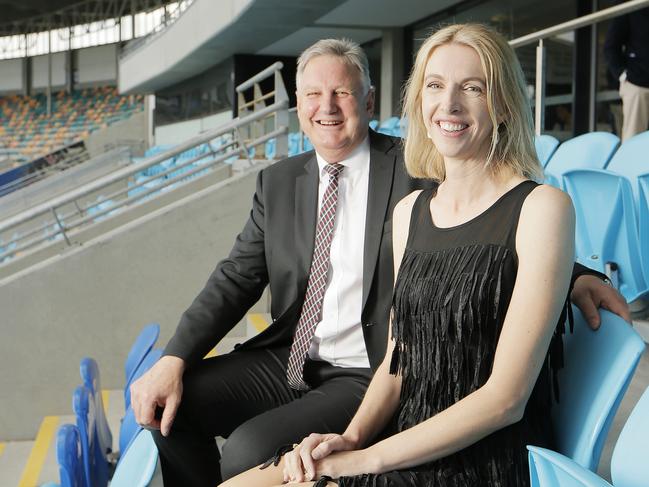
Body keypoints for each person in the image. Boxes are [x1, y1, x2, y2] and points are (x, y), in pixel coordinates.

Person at [130, 37, 629, 486]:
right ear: (298, 106)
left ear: (369, 101)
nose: (326, 107)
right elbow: (236, 276)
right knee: (170, 406)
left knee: (248, 455)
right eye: (312, 95)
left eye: (342, 93)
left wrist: (572, 274)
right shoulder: (281, 182)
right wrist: (174, 358)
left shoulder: (415, 171)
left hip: (374, 379)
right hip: (298, 360)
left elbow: (491, 231)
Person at [604, 3, 649, 141]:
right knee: (633, 139)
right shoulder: (631, 6)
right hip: (636, 85)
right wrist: (623, 75)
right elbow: (611, 47)